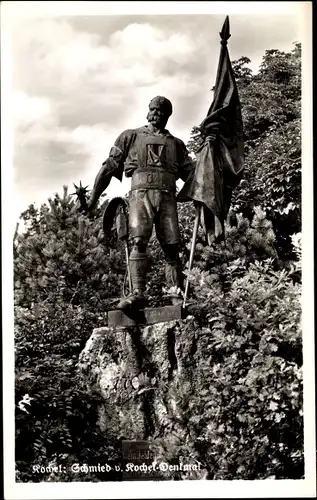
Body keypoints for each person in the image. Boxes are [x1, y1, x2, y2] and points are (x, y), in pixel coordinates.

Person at [87, 96, 194, 310]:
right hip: (140, 195)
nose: (157, 113)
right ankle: (138, 293)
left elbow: (193, 175)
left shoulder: (176, 144)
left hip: (167, 198)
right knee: (138, 241)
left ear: (168, 116)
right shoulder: (131, 136)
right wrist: (93, 199)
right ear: (148, 111)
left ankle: (175, 296)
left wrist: (209, 159)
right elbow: (109, 167)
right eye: (154, 109)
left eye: (162, 111)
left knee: (171, 247)